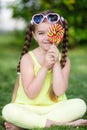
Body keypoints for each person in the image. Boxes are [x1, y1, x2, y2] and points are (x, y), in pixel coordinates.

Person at [2, 10, 87, 130]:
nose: (47, 37)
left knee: (80, 105)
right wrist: (45, 67)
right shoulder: (27, 59)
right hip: (28, 107)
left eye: (52, 32)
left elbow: (59, 91)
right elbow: (31, 94)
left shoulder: (65, 60)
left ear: (60, 34)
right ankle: (65, 124)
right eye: (41, 33)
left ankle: (27, 125)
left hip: (54, 107)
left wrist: (56, 62)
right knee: (9, 110)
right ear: (34, 36)